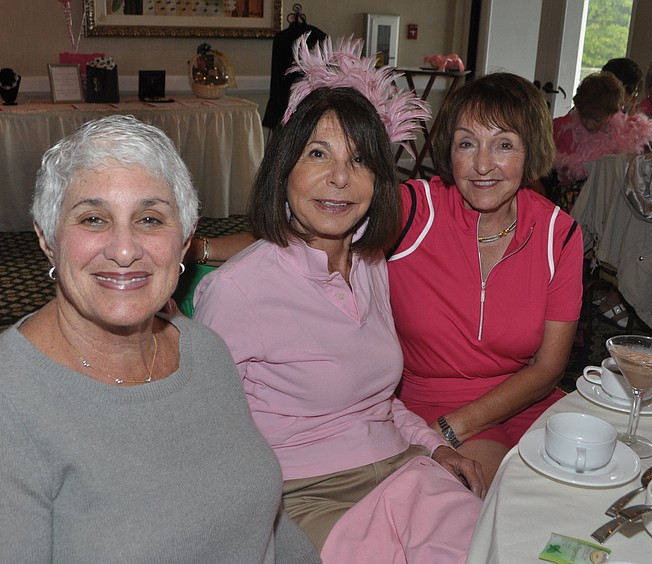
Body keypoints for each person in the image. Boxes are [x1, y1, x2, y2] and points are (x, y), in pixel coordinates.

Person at [0, 115, 319, 564]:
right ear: (46, 238)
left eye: (149, 218)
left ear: (184, 241)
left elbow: (266, 528)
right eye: (93, 218)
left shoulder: (205, 351)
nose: (124, 250)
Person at [194, 37, 484, 563]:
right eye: (318, 154)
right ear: (284, 171)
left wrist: (435, 445)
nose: (340, 178)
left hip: (402, 466)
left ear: (379, 180)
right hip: (305, 495)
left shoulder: (371, 266)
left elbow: (377, 399)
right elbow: (204, 436)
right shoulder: (238, 292)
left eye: (360, 160)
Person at [386, 72, 584, 485]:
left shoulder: (558, 233)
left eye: (504, 145)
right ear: (449, 151)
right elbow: (318, 228)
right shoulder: (414, 212)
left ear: (531, 152)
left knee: (590, 489)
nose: (482, 165)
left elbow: (549, 366)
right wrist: (210, 248)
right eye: (467, 143)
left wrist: (458, 425)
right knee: (492, 504)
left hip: (528, 398)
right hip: (432, 401)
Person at [549, 71, 652, 212]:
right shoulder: (560, 128)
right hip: (568, 203)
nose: (590, 124)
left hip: (608, 202)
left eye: (597, 119)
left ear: (613, 113)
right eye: (585, 116)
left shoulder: (628, 132)